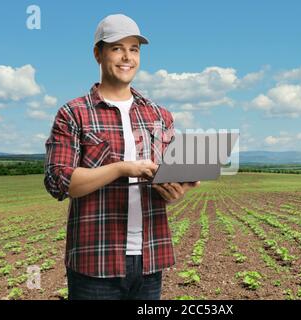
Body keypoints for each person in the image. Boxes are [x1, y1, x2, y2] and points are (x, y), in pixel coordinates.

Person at [43, 13, 199, 300]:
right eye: (117, 48)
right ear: (97, 54)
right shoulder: (74, 113)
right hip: (95, 263)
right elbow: (59, 182)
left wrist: (178, 187)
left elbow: (171, 175)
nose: (127, 57)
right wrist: (122, 168)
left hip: (150, 259)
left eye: (134, 49)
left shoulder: (159, 115)